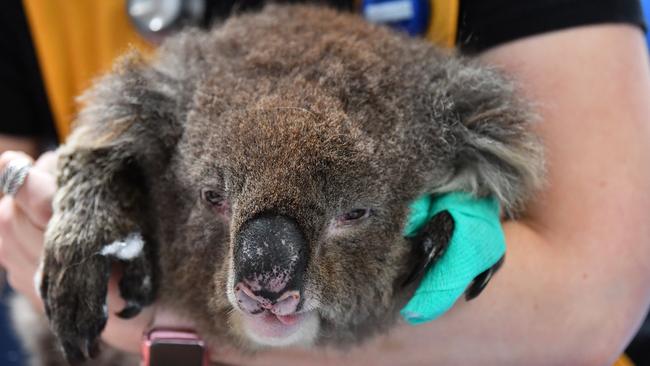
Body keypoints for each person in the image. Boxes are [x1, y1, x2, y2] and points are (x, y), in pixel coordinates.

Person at [1, 0, 649, 365]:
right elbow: (17, 212)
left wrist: (160, 326)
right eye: (216, 199)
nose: (265, 293)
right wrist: (79, 183)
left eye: (353, 214)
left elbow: (591, 300)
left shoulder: (450, 119)